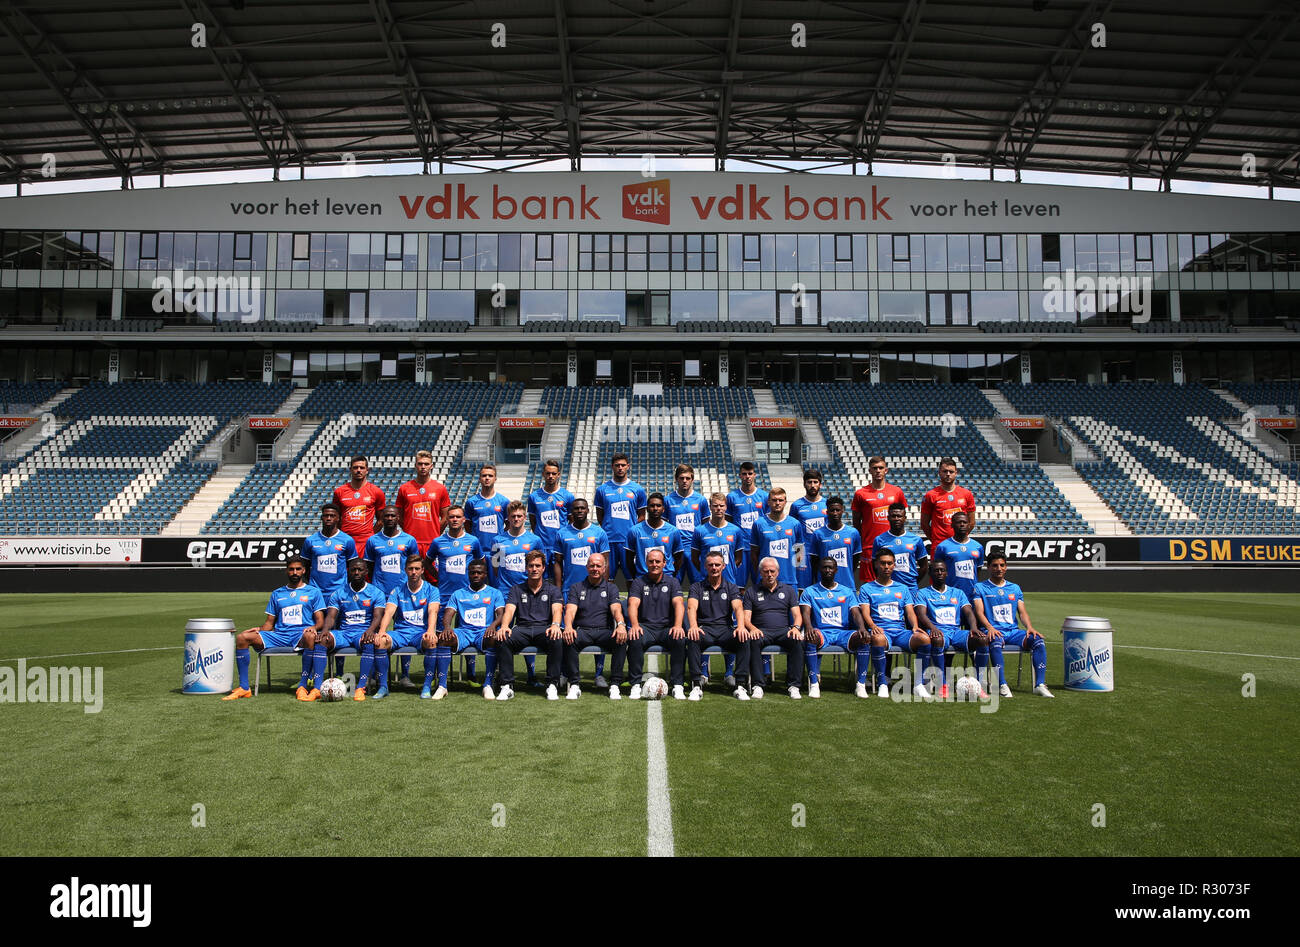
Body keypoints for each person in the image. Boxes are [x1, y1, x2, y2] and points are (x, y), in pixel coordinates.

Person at [223, 555, 326, 701]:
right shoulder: (277, 593)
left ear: (304, 570)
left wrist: (314, 627)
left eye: (298, 569)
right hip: (279, 635)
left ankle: (302, 686)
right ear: (286, 571)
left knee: (310, 636)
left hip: (300, 635)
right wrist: (258, 629)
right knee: (242, 638)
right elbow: (269, 624)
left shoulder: (313, 592)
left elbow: (320, 621)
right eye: (291, 569)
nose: (294, 572)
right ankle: (244, 688)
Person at [972, 553, 1053, 698]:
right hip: (993, 631)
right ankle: (1001, 684)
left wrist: (1029, 627)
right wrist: (990, 628)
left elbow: (1022, 612)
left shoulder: (1015, 588)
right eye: (995, 565)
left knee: (1038, 641)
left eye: (1002, 565)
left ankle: (1039, 685)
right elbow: (979, 612)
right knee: (995, 643)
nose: (999, 568)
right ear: (988, 567)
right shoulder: (980, 587)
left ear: (1006, 567)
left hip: (1013, 632)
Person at [492, 550, 564, 700]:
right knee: (502, 638)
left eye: (538, 566)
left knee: (557, 638)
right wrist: (505, 626)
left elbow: (557, 609)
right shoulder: (516, 589)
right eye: (531, 566)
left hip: (544, 629)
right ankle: (507, 686)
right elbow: (510, 610)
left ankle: (552, 684)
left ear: (544, 568)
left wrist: (556, 625)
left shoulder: (553, 590)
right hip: (522, 629)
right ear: (526, 568)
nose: (534, 569)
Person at [912, 559, 988, 700]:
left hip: (956, 632)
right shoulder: (923, 593)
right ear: (930, 573)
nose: (939, 573)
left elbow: (969, 612)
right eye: (936, 570)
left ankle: (979, 683)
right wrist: (933, 628)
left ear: (947, 573)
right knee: (937, 639)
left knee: (982, 639)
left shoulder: (957, 593)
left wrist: (973, 627)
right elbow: (921, 614)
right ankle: (943, 684)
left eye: (942, 570)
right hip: (938, 631)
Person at [800, 555, 872, 699]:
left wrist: (862, 628)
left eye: (830, 567)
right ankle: (814, 684)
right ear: (819, 569)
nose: (827, 570)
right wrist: (808, 627)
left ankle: (860, 685)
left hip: (842, 634)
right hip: (822, 632)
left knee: (864, 638)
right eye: (824, 567)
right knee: (810, 638)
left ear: (836, 570)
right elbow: (806, 613)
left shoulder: (847, 591)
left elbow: (856, 613)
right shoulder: (810, 591)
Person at [364, 505, 421, 685]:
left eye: (393, 516)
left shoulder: (409, 540)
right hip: (380, 594)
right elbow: (370, 566)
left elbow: (414, 564)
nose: (389, 519)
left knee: (403, 630)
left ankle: (404, 675)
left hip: (403, 593)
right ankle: (376, 674)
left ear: (398, 518)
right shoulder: (373, 541)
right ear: (381, 518)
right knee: (378, 632)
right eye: (386, 516)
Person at [560, 553, 628, 700]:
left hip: (604, 632)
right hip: (583, 631)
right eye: (592, 565)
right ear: (587, 567)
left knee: (621, 639)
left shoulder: (611, 588)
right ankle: (574, 684)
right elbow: (570, 610)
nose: (595, 569)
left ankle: (615, 684)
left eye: (598, 566)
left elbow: (616, 609)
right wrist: (569, 627)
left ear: (604, 569)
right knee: (568, 638)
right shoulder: (576, 588)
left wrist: (621, 625)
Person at [856, 549, 922, 699]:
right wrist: (872, 626)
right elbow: (865, 612)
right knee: (878, 640)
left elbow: (910, 612)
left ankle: (919, 684)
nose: (886, 566)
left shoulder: (902, 588)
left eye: (890, 563)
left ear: (894, 566)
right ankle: (882, 683)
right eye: (883, 563)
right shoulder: (867, 588)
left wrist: (915, 626)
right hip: (881, 631)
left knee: (924, 639)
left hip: (900, 632)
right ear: (876, 565)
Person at [302, 502, 357, 676]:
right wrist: (310, 590)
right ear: (321, 517)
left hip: (338, 595)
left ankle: (338, 673)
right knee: (314, 633)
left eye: (332, 516)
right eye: (326, 515)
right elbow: (305, 566)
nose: (328, 518)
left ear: (338, 518)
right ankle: (310, 675)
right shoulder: (311, 541)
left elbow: (352, 567)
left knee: (338, 633)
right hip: (317, 595)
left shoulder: (347, 540)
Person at [685, 551, 749, 701]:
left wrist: (740, 627)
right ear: (705, 567)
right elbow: (691, 608)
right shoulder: (696, 587)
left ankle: (740, 685)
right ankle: (696, 685)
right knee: (693, 638)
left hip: (725, 630)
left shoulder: (731, 587)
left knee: (744, 639)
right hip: (705, 630)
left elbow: (738, 608)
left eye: (717, 565)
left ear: (723, 566)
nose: (714, 567)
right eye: (710, 565)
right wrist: (693, 626)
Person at [625, 547, 687, 700]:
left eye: (657, 561)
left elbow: (679, 604)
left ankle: (677, 685)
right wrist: (634, 625)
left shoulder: (673, 582)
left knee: (679, 638)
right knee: (634, 638)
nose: (654, 564)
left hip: (667, 628)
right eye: (651, 561)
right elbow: (632, 604)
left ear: (664, 563)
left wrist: (678, 626)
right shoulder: (638, 582)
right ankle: (635, 684)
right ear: (646, 563)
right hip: (646, 628)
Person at [321, 558, 387, 701]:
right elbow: (331, 616)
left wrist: (370, 630)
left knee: (369, 641)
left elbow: (378, 616)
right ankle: (316, 687)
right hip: (343, 633)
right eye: (353, 570)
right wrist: (325, 629)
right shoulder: (338, 593)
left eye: (360, 569)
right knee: (322, 640)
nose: (356, 572)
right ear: (348, 572)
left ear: (366, 572)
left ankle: (360, 688)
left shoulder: (376, 593)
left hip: (362, 633)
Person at [441, 559, 507, 700]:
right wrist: (447, 627)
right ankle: (442, 686)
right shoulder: (458, 594)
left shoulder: (495, 593)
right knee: (444, 639)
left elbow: (501, 614)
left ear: (485, 574)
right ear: (468, 574)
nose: (476, 575)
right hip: (463, 632)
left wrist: (493, 625)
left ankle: (488, 684)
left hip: (483, 632)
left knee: (493, 639)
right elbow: (448, 614)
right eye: (472, 573)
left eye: (479, 572)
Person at [376, 556, 440, 698]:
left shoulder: (432, 590)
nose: (413, 572)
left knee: (431, 640)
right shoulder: (397, 590)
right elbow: (389, 611)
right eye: (410, 569)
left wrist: (430, 630)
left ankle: (426, 686)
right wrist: (381, 631)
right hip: (401, 633)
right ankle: (383, 687)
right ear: (405, 570)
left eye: (417, 569)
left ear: (422, 570)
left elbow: (433, 611)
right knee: (380, 641)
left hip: (420, 633)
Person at [742, 557, 806, 699]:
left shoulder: (788, 590)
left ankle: (794, 685)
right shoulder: (751, 592)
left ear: (778, 572)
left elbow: (797, 615)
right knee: (753, 641)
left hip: (783, 631)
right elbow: (745, 618)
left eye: (772, 571)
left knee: (798, 641)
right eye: (766, 571)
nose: (769, 574)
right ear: (760, 573)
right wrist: (752, 628)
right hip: (761, 631)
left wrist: (795, 628)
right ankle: (758, 685)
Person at [594, 452, 648, 585]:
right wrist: (609, 529)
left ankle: (633, 604)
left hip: (628, 541)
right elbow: (600, 515)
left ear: (628, 466)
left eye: (623, 465)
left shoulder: (637, 489)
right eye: (617, 465)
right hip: (609, 540)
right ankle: (607, 604)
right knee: (607, 577)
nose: (620, 468)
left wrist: (632, 532)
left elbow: (641, 515)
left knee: (631, 578)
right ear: (612, 467)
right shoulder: (602, 489)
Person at [851, 456, 906, 583]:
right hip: (869, 546)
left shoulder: (897, 492)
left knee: (896, 583)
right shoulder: (861, 494)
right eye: (875, 468)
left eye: (881, 468)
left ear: (886, 470)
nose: (878, 471)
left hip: (893, 544)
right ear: (869, 470)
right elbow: (856, 521)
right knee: (870, 584)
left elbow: (902, 517)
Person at [395, 449, 451, 553]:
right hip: (410, 541)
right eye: (420, 464)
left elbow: (446, 517)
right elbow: (399, 516)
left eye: (426, 464)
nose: (423, 467)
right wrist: (407, 531)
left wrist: (435, 532)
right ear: (415, 465)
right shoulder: (404, 488)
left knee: (431, 569)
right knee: (412, 569)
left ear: (431, 466)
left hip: (432, 541)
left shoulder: (440, 488)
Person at [750, 487, 806, 589]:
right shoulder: (759, 524)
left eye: (780, 500)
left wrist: (797, 576)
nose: (777, 503)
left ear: (785, 502)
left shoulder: (795, 524)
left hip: (789, 580)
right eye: (774, 500)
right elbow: (754, 554)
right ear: (768, 502)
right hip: (766, 580)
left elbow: (800, 553)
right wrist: (759, 573)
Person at [552, 498, 611, 591]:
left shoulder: (599, 532)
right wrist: (558, 591)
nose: (580, 511)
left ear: (588, 510)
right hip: (569, 588)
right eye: (576, 508)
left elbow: (606, 562)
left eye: (582, 508)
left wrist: (603, 588)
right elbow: (557, 563)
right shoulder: (562, 533)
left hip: (594, 589)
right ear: (571, 511)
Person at [691, 492, 748, 588]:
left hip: (729, 580)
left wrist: (728, 569)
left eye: (722, 505)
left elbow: (738, 558)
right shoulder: (699, 530)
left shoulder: (735, 530)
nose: (719, 508)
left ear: (726, 507)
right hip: (706, 580)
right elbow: (694, 558)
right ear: (710, 507)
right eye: (715, 505)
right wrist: (705, 570)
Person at [663, 463, 707, 583]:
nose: (684, 481)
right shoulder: (668, 500)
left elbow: (706, 526)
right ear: (676, 479)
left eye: (688, 478)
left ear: (692, 479)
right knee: (673, 585)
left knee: (699, 585)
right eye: (681, 478)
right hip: (675, 550)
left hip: (695, 549)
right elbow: (663, 527)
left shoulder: (701, 500)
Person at [626, 492, 685, 579]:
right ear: (647, 509)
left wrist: (670, 575)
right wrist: (637, 576)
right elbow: (629, 559)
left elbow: (679, 558)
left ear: (663, 509)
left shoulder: (673, 531)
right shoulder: (635, 530)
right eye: (652, 505)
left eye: (658, 505)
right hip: (642, 578)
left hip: (666, 577)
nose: (655, 508)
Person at [333, 455, 385, 552]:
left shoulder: (376, 492)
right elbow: (336, 517)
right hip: (345, 540)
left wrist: (371, 535)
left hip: (366, 541)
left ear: (367, 470)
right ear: (350, 469)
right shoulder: (339, 492)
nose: (358, 470)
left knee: (365, 567)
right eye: (355, 467)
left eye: (362, 468)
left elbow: (381, 520)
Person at [491, 500, 546, 592]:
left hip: (528, 590)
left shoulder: (535, 540)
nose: (516, 519)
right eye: (513, 516)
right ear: (508, 518)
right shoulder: (497, 540)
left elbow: (541, 566)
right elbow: (495, 567)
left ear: (525, 518)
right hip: (505, 591)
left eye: (519, 516)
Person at [871, 503, 929, 590]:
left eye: (899, 516)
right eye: (893, 516)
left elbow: (924, 566)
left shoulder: (916, 539)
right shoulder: (879, 540)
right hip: (888, 588)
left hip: (910, 588)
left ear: (905, 518)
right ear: (888, 518)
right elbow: (874, 564)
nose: (896, 519)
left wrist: (913, 581)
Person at [921, 457, 977, 547]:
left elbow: (972, 522)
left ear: (956, 473)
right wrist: (935, 540)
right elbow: (924, 524)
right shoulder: (930, 495)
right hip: (939, 545)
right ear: (939, 472)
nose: (948, 474)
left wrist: (961, 537)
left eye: (951, 472)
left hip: (960, 545)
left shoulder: (966, 494)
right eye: (945, 471)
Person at [811, 495, 862, 591]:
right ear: (827, 512)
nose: (835, 513)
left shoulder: (853, 533)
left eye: (837, 510)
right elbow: (814, 561)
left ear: (842, 511)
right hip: (824, 586)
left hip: (847, 584)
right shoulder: (818, 534)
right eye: (832, 510)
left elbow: (855, 560)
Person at [527, 458, 574, 562]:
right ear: (543, 474)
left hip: (560, 545)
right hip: (541, 546)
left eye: (553, 473)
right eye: (548, 473)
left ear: (558, 475)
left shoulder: (567, 496)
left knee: (559, 577)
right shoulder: (534, 497)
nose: (551, 476)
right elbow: (533, 521)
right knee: (541, 576)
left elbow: (572, 521)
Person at [931, 510, 983, 600]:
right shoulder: (943, 547)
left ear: (969, 525)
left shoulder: (978, 547)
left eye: (964, 522)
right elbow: (936, 571)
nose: (962, 524)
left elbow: (977, 569)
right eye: (958, 522)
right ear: (952, 525)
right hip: (950, 595)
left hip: (971, 594)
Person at [790, 468, 828, 588]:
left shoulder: (827, 504)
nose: (812, 485)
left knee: (823, 585)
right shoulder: (796, 505)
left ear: (820, 484)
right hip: (801, 550)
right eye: (809, 482)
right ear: (804, 484)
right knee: (802, 587)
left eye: (815, 482)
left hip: (822, 548)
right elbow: (793, 529)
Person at [726, 461, 768, 534]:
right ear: (740, 475)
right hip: (740, 542)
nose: (747, 476)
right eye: (744, 474)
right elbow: (728, 522)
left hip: (759, 540)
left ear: (754, 475)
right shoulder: (731, 497)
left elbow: (768, 520)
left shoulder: (765, 496)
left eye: (750, 473)